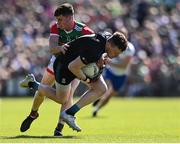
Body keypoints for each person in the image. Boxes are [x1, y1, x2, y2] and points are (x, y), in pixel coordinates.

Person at [20, 31, 128, 132]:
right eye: (116, 53)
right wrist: (87, 79)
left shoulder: (107, 38)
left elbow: (95, 48)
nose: (115, 56)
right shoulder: (94, 50)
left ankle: (69, 113)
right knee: (61, 99)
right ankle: (32, 83)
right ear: (111, 45)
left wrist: (101, 58)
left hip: (77, 64)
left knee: (101, 89)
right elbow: (73, 67)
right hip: (64, 67)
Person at [20, 3, 94, 136]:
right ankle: (33, 113)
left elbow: (95, 47)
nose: (57, 23)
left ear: (70, 17)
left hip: (74, 67)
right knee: (42, 89)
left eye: (60, 19)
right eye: (57, 19)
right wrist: (60, 48)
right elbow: (52, 47)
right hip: (57, 63)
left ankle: (59, 129)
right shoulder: (56, 27)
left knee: (67, 97)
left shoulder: (85, 31)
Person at [92, 27, 135, 117]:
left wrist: (110, 62)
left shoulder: (129, 49)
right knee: (107, 88)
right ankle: (98, 97)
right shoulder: (110, 44)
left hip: (121, 74)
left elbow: (124, 65)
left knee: (110, 95)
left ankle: (97, 108)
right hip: (110, 71)